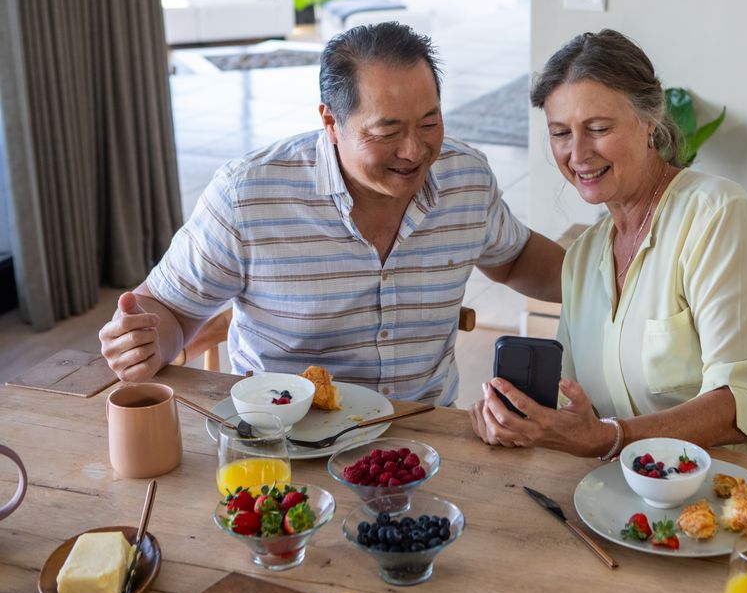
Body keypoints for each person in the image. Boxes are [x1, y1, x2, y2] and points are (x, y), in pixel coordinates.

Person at [99, 22, 563, 406]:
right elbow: (171, 309)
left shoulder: (466, 178)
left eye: (430, 123)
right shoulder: (248, 196)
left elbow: (517, 259)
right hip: (287, 435)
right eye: (387, 131)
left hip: (426, 436)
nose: (414, 150)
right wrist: (143, 342)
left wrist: (619, 280)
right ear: (330, 123)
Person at [469, 30, 747, 469]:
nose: (578, 152)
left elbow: (733, 408)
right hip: (671, 491)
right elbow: (576, 410)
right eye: (561, 133)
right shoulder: (584, 257)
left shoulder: (717, 216)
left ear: (650, 122)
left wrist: (605, 437)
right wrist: (520, 421)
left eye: (599, 129)